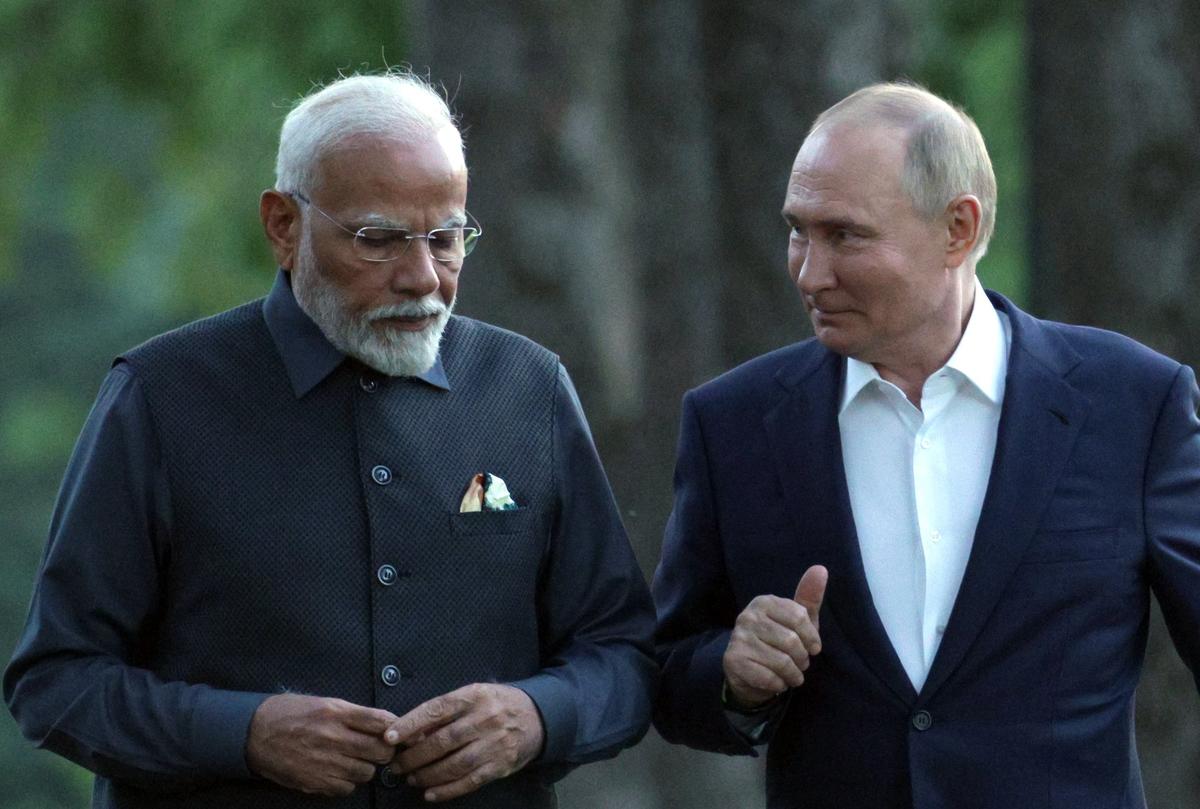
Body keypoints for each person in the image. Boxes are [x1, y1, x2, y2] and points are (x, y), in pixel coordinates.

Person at [5, 71, 656, 809]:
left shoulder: (529, 388)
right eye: (379, 240)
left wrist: (537, 717)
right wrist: (242, 733)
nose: (423, 278)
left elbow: (624, 655)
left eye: (447, 238)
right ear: (284, 225)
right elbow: (54, 681)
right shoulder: (160, 399)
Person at [652, 82, 1200, 808]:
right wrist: (731, 669)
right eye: (798, 230)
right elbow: (663, 673)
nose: (810, 273)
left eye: (844, 234)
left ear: (958, 230)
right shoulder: (734, 424)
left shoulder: (1133, 403)